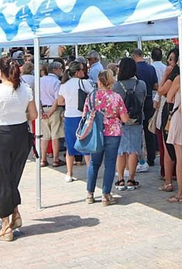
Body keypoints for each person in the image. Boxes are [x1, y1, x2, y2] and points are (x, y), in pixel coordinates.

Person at [0, 55, 37, 241]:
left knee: (2, 181)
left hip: (0, 135)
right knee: (12, 178)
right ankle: (15, 212)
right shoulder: (26, 89)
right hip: (21, 134)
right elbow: (33, 114)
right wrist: (17, 113)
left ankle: (5, 225)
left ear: (0, 72)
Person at [83, 68, 126, 206]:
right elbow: (124, 118)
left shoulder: (91, 96)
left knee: (94, 163)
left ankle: (89, 194)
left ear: (99, 81)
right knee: (110, 164)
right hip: (113, 132)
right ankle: (106, 195)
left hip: (96, 132)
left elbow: (85, 115)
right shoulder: (116, 97)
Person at [115, 58, 149, 191]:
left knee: (121, 150)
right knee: (134, 149)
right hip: (136, 120)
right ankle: (131, 179)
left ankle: (120, 179)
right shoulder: (141, 84)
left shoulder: (116, 86)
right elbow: (143, 100)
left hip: (120, 121)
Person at [57, 60, 89, 183]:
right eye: (82, 69)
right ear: (77, 72)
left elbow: (60, 101)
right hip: (83, 115)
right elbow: (93, 96)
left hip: (69, 116)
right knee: (86, 145)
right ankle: (90, 171)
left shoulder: (64, 85)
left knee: (70, 146)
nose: (83, 71)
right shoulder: (84, 83)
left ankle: (69, 173)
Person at [158, 60, 182, 198]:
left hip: (174, 114)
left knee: (173, 152)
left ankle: (176, 188)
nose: (169, 62)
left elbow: (163, 92)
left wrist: (165, 75)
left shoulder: (177, 78)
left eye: (173, 59)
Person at [132, 49, 159, 173]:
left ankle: (138, 158)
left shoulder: (134, 69)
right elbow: (155, 85)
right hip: (149, 100)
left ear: (134, 56)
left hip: (136, 103)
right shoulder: (151, 68)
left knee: (137, 131)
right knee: (149, 131)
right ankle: (151, 157)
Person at [38, 60, 64, 167]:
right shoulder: (56, 82)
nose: (62, 71)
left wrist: (41, 111)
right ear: (55, 70)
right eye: (60, 69)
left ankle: (43, 159)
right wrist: (51, 111)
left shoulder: (40, 80)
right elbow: (57, 99)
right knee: (55, 135)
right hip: (54, 109)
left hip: (43, 108)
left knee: (44, 136)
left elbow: (37, 97)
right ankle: (56, 159)